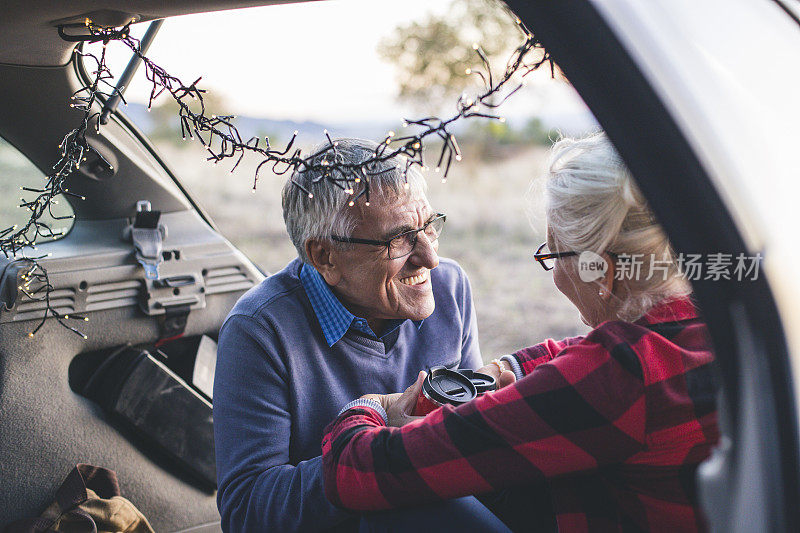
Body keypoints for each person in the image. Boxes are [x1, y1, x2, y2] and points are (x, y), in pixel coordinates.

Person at [321, 132, 719, 532]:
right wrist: (494, 376)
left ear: (601, 271)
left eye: (553, 256)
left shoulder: (617, 376)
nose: (557, 276)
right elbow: (571, 353)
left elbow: (356, 472)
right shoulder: (716, 324)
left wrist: (371, 407)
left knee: (403, 510)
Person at [213, 138, 482, 531]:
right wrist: (386, 454)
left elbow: (470, 432)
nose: (431, 258)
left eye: (428, 228)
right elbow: (248, 512)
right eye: (399, 239)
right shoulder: (259, 331)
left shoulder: (450, 287)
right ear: (325, 256)